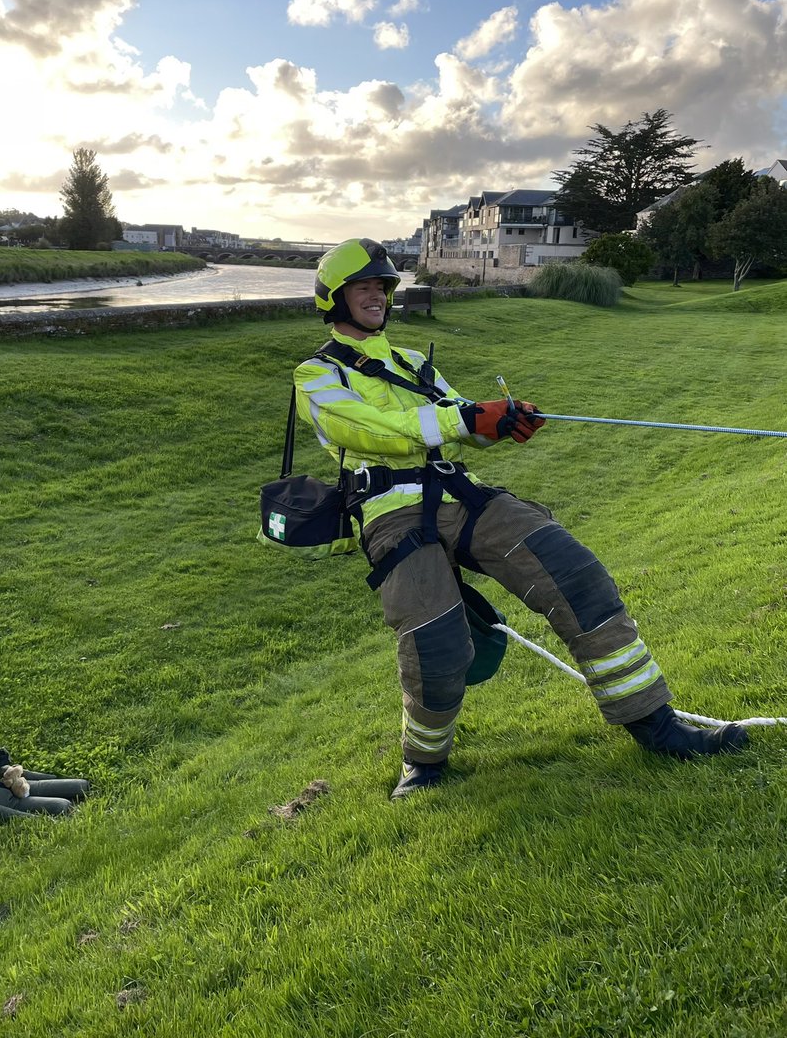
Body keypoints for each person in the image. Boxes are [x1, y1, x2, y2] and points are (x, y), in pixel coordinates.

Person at [294, 239, 749, 799]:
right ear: (334, 300)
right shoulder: (314, 375)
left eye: (382, 287)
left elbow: (460, 425)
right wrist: (466, 420)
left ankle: (655, 725)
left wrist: (501, 424)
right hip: (390, 515)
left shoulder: (412, 363)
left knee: (574, 573)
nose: (376, 297)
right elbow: (365, 429)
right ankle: (425, 763)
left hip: (462, 496)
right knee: (434, 642)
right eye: (362, 288)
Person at [0, 721, 90, 820]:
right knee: (63, 805)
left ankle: (79, 788)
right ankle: (64, 806)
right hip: (4, 800)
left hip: (16, 782)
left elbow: (4, 768)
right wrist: (30, 817)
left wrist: (46, 777)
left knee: (81, 785)